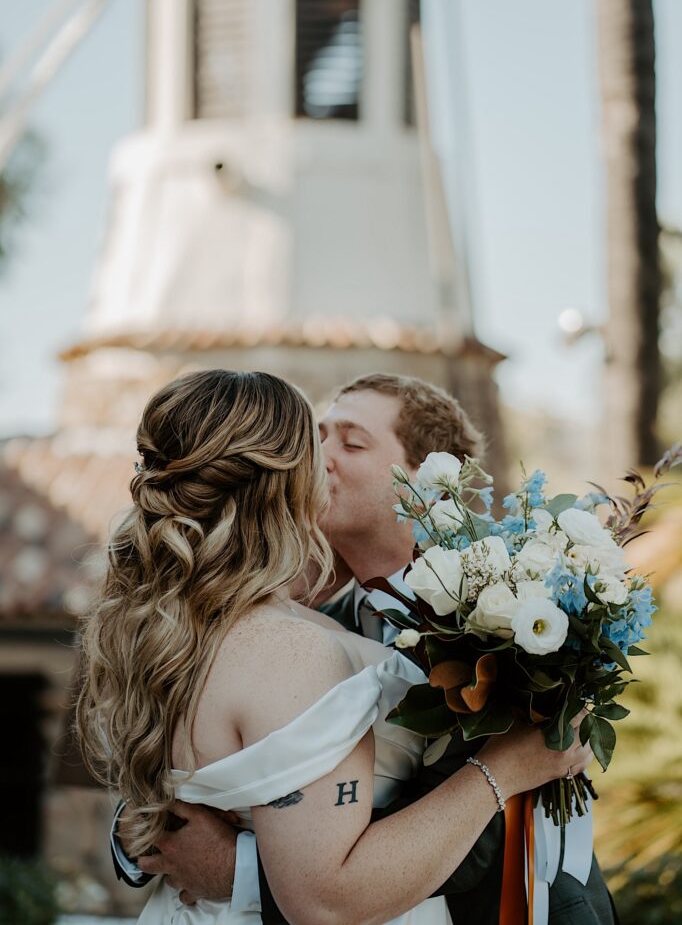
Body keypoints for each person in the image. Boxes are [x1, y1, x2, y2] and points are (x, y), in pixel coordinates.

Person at [85, 369, 594, 924]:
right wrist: (152, 827)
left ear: (432, 480)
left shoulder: (512, 618)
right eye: (317, 439)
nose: (324, 457)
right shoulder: (281, 626)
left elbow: (488, 832)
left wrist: (242, 869)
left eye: (352, 442)